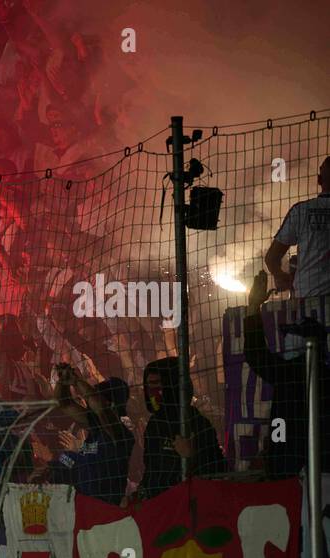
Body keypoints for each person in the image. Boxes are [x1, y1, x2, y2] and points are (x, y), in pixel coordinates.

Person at [241, 270, 330, 478]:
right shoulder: (322, 374)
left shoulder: (289, 373)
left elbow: (256, 353)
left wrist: (253, 307)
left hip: (290, 469)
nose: (287, 337)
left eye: (291, 333)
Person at [138, 358, 225, 499]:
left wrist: (191, 455)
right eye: (148, 386)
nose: (151, 392)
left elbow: (217, 469)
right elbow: (151, 468)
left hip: (189, 504)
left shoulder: (197, 422)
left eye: (156, 384)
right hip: (159, 506)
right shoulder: (154, 424)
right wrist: (142, 492)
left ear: (172, 384)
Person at [48, 366, 134, 505]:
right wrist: (62, 381)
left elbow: (100, 409)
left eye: (95, 396)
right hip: (84, 507)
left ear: (111, 404)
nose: (88, 402)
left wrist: (76, 381)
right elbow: (64, 404)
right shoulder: (95, 426)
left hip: (105, 508)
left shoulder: (120, 433)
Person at [265, 156, 330, 299]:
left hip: (309, 298)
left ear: (319, 180)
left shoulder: (300, 211)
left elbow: (271, 258)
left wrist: (282, 276)